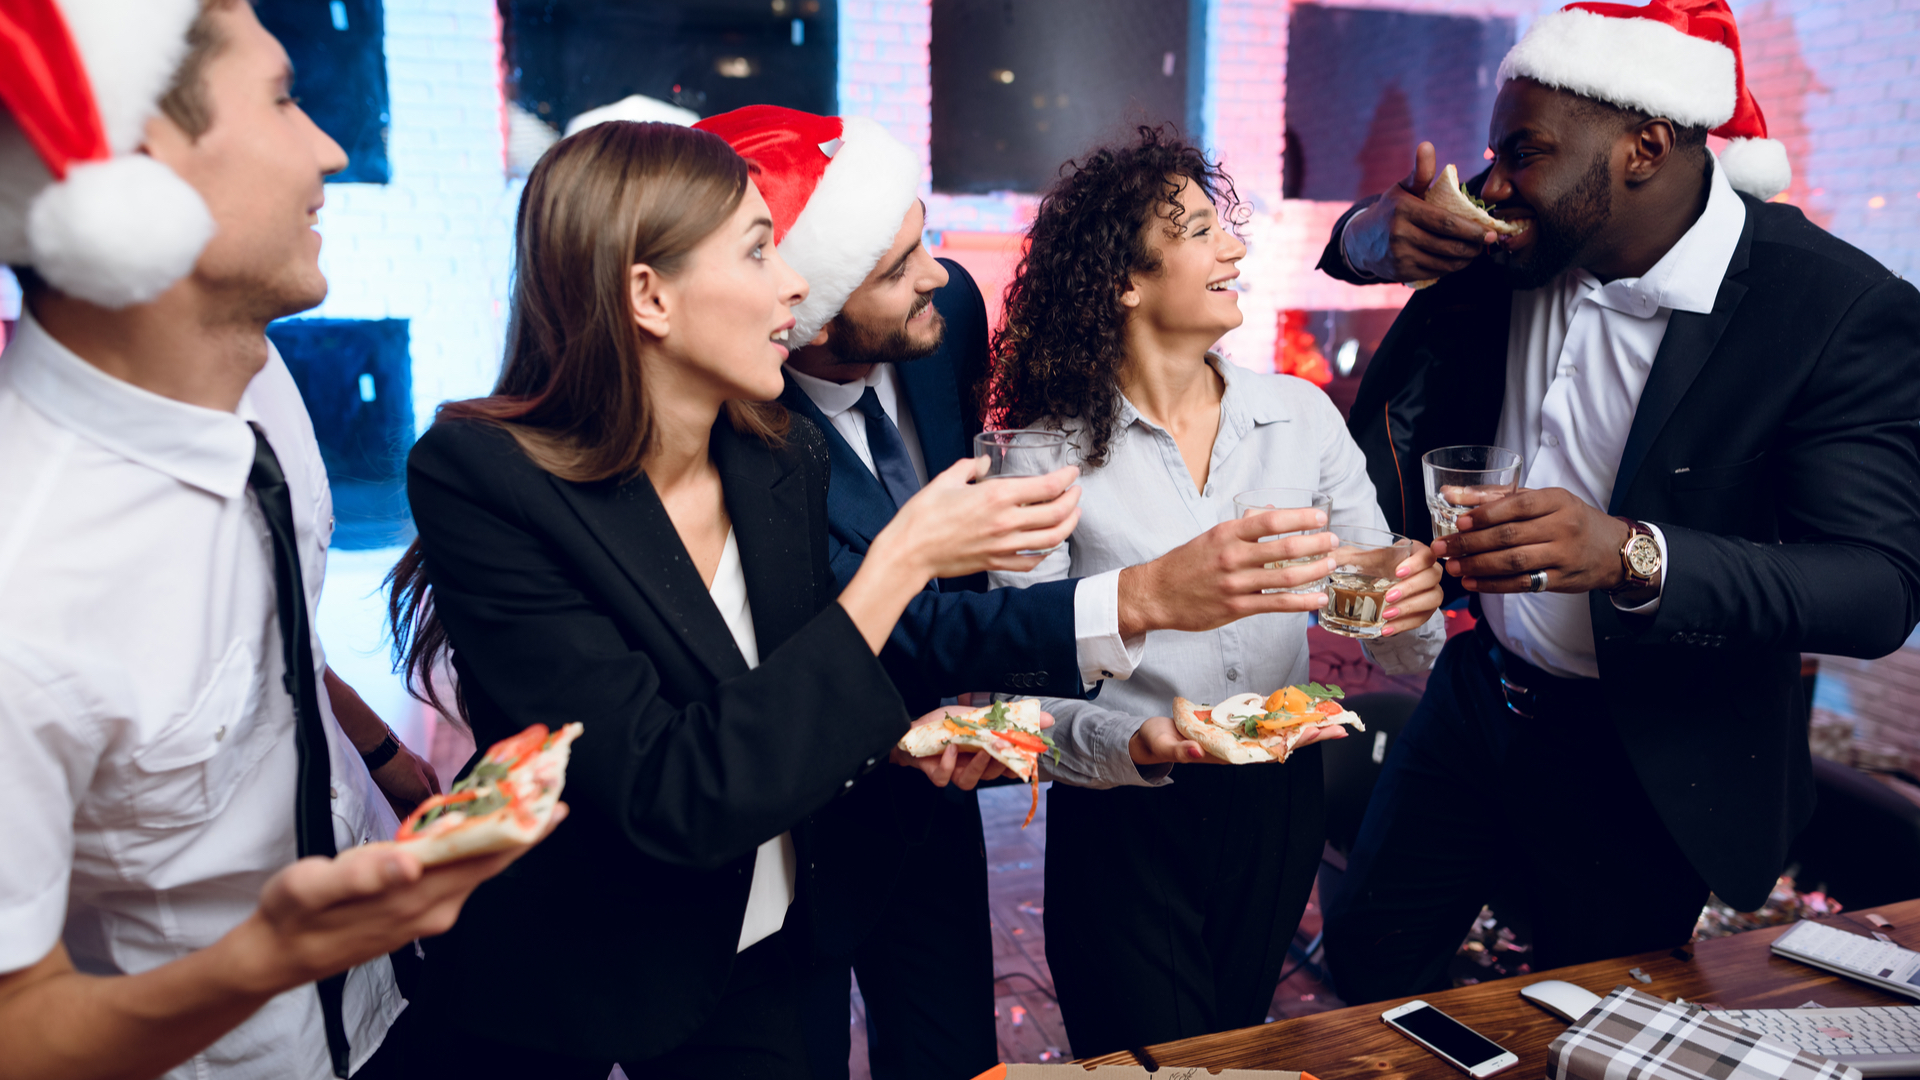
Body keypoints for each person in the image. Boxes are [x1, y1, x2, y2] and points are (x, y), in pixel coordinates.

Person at [695, 106, 1432, 1079]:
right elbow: (945, 635)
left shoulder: (944, 320)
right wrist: (1139, 615)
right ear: (810, 308)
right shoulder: (756, 435)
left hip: (1163, 805)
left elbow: (1381, 624)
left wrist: (1399, 602)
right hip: (846, 800)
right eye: (900, 265)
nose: (945, 277)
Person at [383, 119, 1082, 1077]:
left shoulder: (778, 457)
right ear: (649, 294)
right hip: (590, 981)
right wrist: (902, 559)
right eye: (759, 250)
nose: (796, 283)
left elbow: (794, 688)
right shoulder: (480, 479)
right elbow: (671, 790)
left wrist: (916, 741)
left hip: (777, 949)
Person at [1315, 0, 1920, 1002]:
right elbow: (1375, 245)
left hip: (1648, 746)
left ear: (1644, 146)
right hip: (1481, 694)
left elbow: (1877, 587)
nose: (1493, 182)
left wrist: (1632, 553)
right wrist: (1376, 232)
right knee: (1372, 960)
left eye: (1524, 152)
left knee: (1582, 1021)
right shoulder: (1515, 242)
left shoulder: (1831, 312)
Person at [0, 2, 544, 1079]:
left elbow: (265, 645)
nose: (332, 148)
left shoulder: (259, 376)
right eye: (288, 99)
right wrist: (266, 960)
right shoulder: (27, 582)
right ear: (146, 164)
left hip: (395, 1011)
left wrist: (390, 766)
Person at [983, 126, 1449, 1058]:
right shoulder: (1041, 459)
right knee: (1154, 1056)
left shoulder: (1302, 419)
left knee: (1233, 1046)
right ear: (1125, 279)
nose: (1233, 247)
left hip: (1278, 806)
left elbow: (1383, 631)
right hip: (1124, 809)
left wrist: (1411, 603)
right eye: (1199, 230)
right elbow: (1018, 701)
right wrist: (1139, 744)